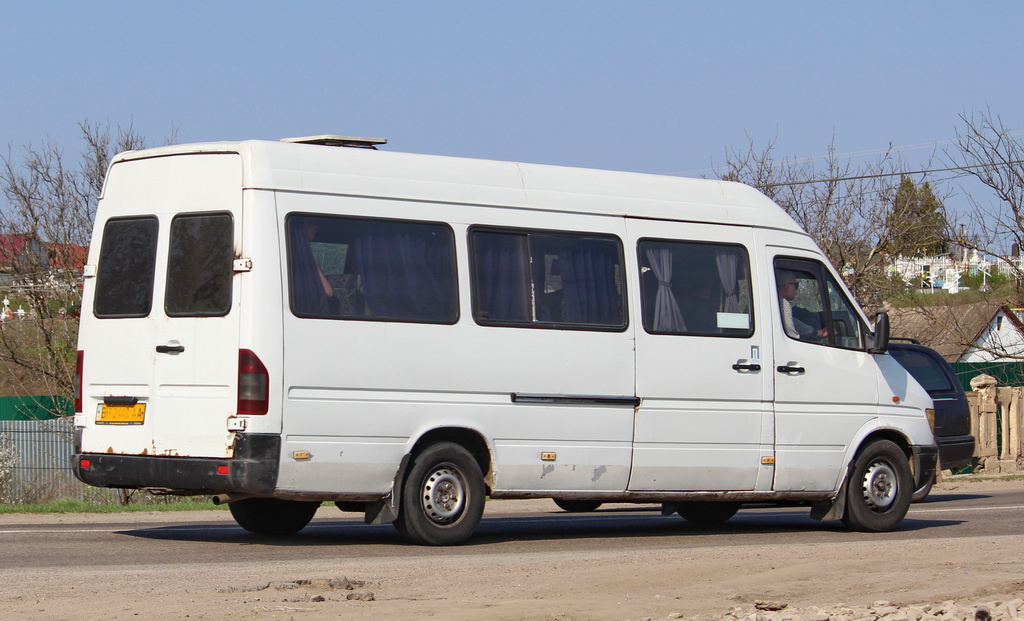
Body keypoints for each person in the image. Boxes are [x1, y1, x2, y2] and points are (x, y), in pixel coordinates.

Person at [777, 270, 829, 342]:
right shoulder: (783, 304)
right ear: (787, 287)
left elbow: (793, 322)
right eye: (796, 285)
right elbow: (792, 335)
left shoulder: (776, 304)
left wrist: (817, 333)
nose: (796, 289)